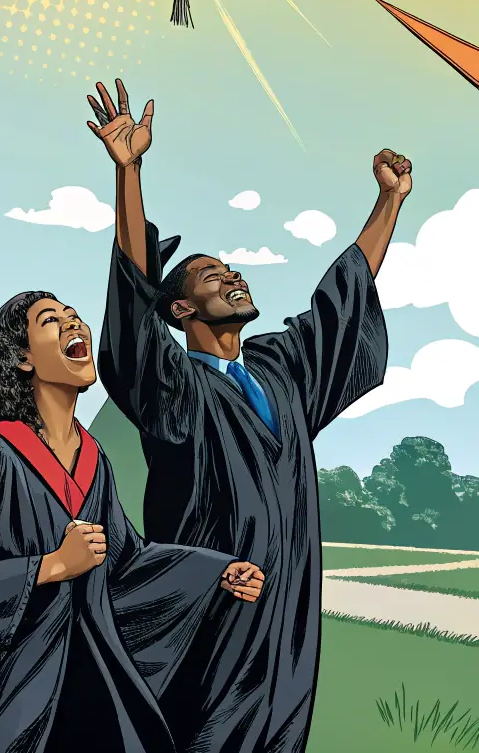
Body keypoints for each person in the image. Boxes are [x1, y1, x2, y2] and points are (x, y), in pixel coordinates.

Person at [90, 79, 411, 753]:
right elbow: (132, 313)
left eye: (233, 268)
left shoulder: (279, 368)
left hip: (291, 617)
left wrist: (389, 201)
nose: (232, 275)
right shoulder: (176, 384)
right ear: (180, 309)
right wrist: (130, 173)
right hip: (215, 618)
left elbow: (340, 305)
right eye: (211, 275)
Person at [0, 288, 265, 753]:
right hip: (8, 704)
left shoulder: (95, 459)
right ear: (21, 359)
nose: (74, 324)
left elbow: (127, 562)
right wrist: (47, 567)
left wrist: (215, 570)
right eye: (52, 321)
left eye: (75, 316)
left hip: (90, 687)